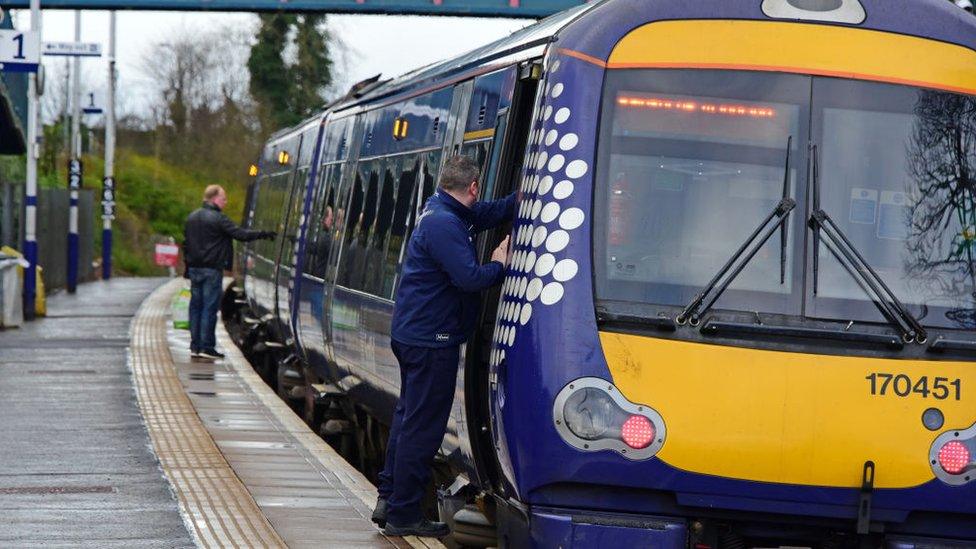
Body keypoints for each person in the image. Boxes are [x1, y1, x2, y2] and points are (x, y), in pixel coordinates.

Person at [374, 155, 514, 538]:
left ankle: (390, 498)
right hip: (431, 340)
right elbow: (469, 278)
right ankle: (403, 514)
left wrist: (519, 199)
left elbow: (482, 213)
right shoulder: (445, 225)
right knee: (423, 427)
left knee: (408, 419)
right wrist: (500, 264)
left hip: (417, 334)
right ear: (472, 186)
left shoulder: (440, 210)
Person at [183, 184, 275, 360]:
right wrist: (263, 234)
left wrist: (187, 267)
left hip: (194, 269)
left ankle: (195, 346)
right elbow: (240, 234)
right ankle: (207, 347)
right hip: (211, 270)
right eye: (223, 198)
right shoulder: (218, 219)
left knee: (195, 307)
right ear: (215, 199)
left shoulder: (192, 217)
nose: (225, 202)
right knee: (209, 309)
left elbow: (186, 244)